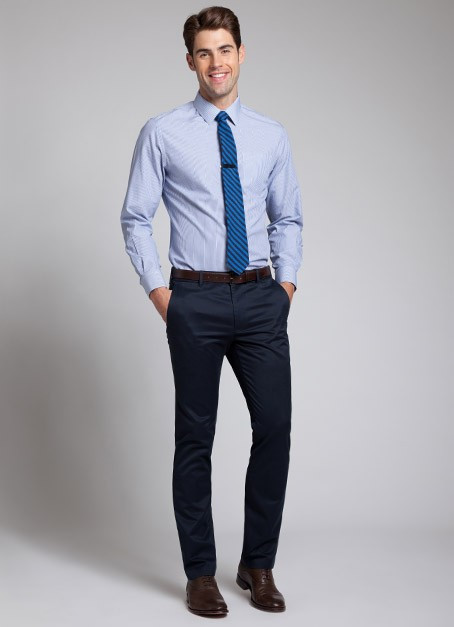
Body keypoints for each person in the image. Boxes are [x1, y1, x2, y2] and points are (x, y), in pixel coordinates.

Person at [120, 5, 303, 618]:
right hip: (193, 299)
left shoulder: (271, 135)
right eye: (204, 52)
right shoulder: (163, 131)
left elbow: (288, 217)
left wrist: (286, 286)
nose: (216, 63)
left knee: (274, 428)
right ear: (190, 61)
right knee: (195, 438)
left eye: (225, 50)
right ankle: (200, 573)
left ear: (241, 54)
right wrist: (160, 293)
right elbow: (136, 217)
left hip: (259, 297)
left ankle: (258, 564)